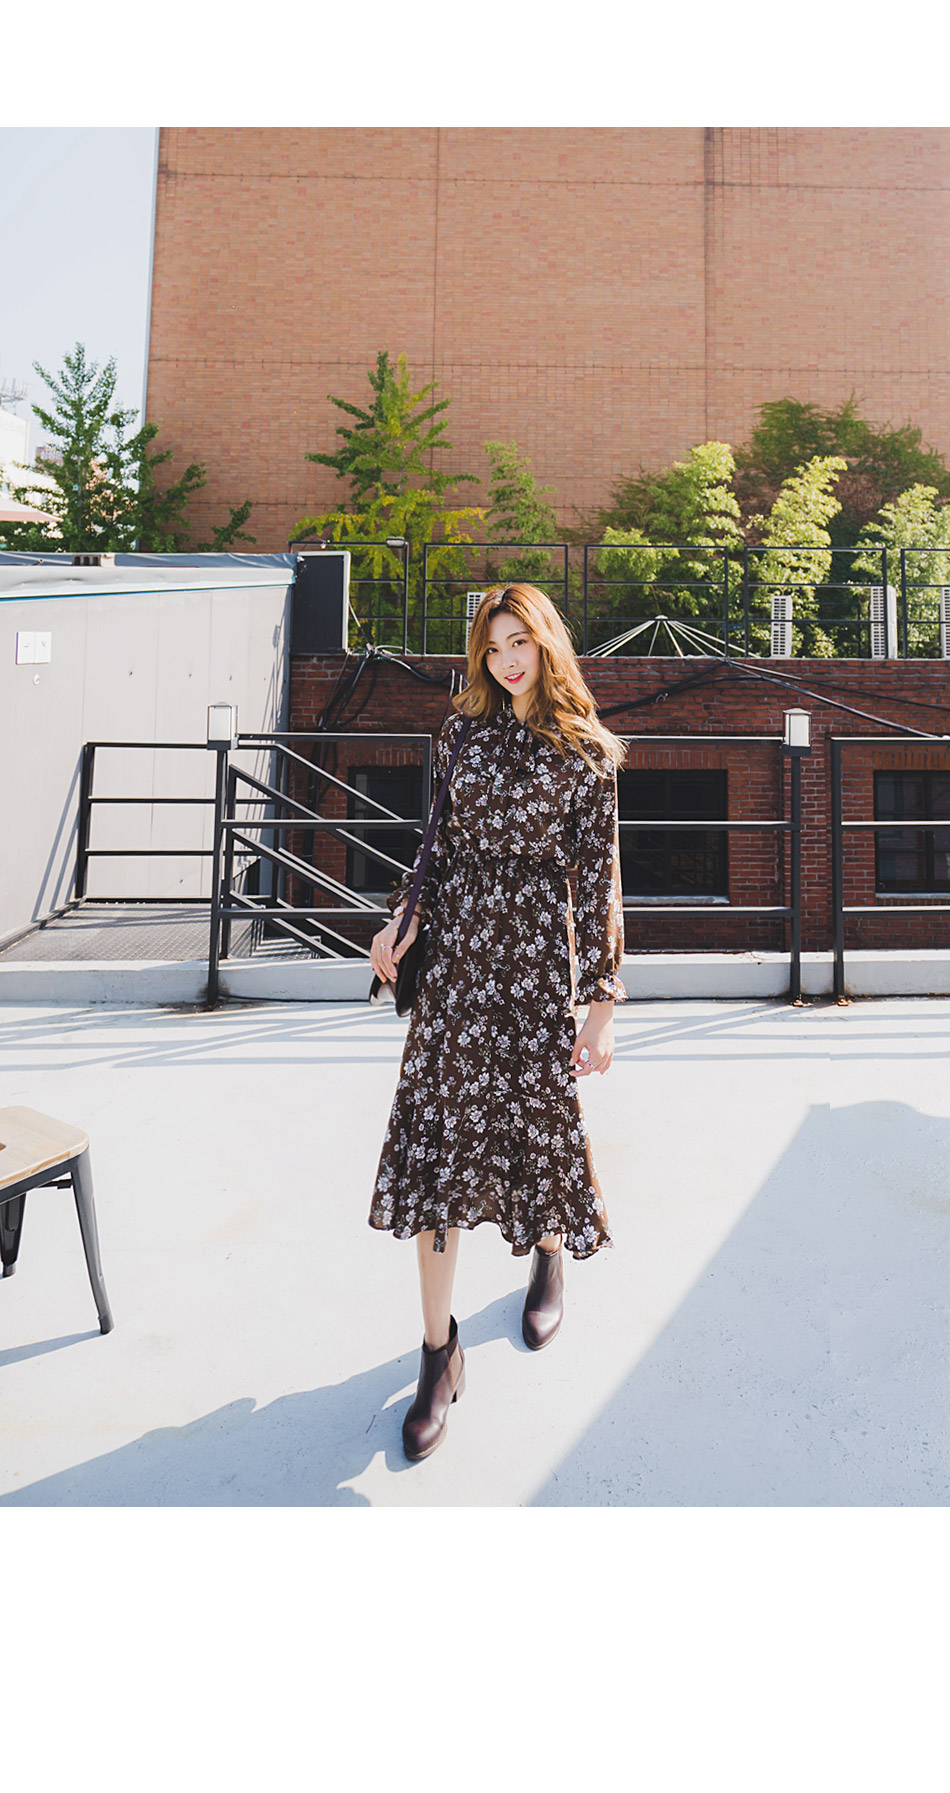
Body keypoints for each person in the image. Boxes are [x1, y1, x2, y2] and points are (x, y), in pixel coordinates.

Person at [368, 582, 627, 1461]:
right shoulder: (460, 735)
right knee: (440, 1146)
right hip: (456, 969)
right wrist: (402, 920)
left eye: (521, 642)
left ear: (547, 644)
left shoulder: (586, 753)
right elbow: (435, 850)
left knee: (534, 1124)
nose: (507, 659)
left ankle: (548, 1248)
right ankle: (438, 1351)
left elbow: (598, 885)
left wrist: (600, 1007)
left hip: (533, 967)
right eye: (494, 645)